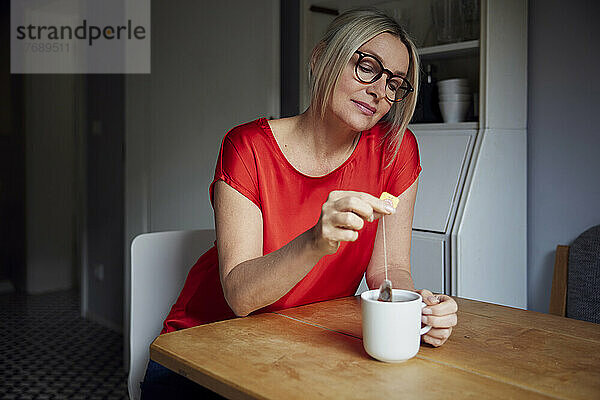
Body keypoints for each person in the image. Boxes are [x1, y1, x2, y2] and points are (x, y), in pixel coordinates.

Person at [140, 7, 458, 399]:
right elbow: (239, 297)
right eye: (368, 67)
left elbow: (390, 268)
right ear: (321, 58)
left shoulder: (396, 150)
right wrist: (315, 242)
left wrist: (415, 311)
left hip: (302, 342)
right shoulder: (247, 147)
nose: (380, 90)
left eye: (395, 83)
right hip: (200, 349)